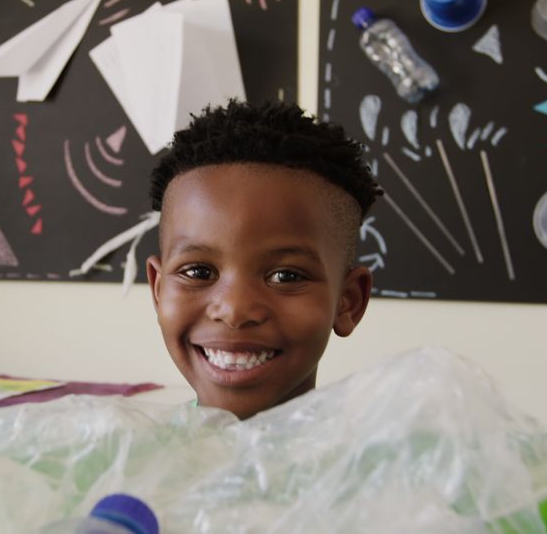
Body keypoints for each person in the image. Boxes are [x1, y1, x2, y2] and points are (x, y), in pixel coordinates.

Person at [146, 100, 381, 420]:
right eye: (199, 271)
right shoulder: (122, 459)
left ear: (348, 301)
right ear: (158, 290)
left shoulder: (396, 464)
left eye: (286, 276)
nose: (235, 311)